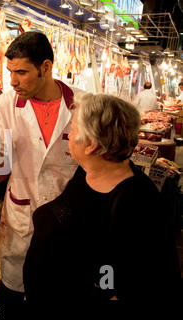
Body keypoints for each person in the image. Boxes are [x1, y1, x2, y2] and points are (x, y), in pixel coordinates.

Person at [0, 31, 81, 300]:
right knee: (11, 290)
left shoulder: (81, 104)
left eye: (21, 72)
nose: (12, 81)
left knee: (57, 291)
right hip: (23, 218)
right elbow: (0, 165)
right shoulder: (7, 104)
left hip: (67, 220)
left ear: (46, 67)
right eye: (9, 72)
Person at [23, 92, 182, 302]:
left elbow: (148, 284)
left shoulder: (137, 202)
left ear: (92, 145)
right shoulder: (86, 172)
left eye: (73, 129)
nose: (69, 135)